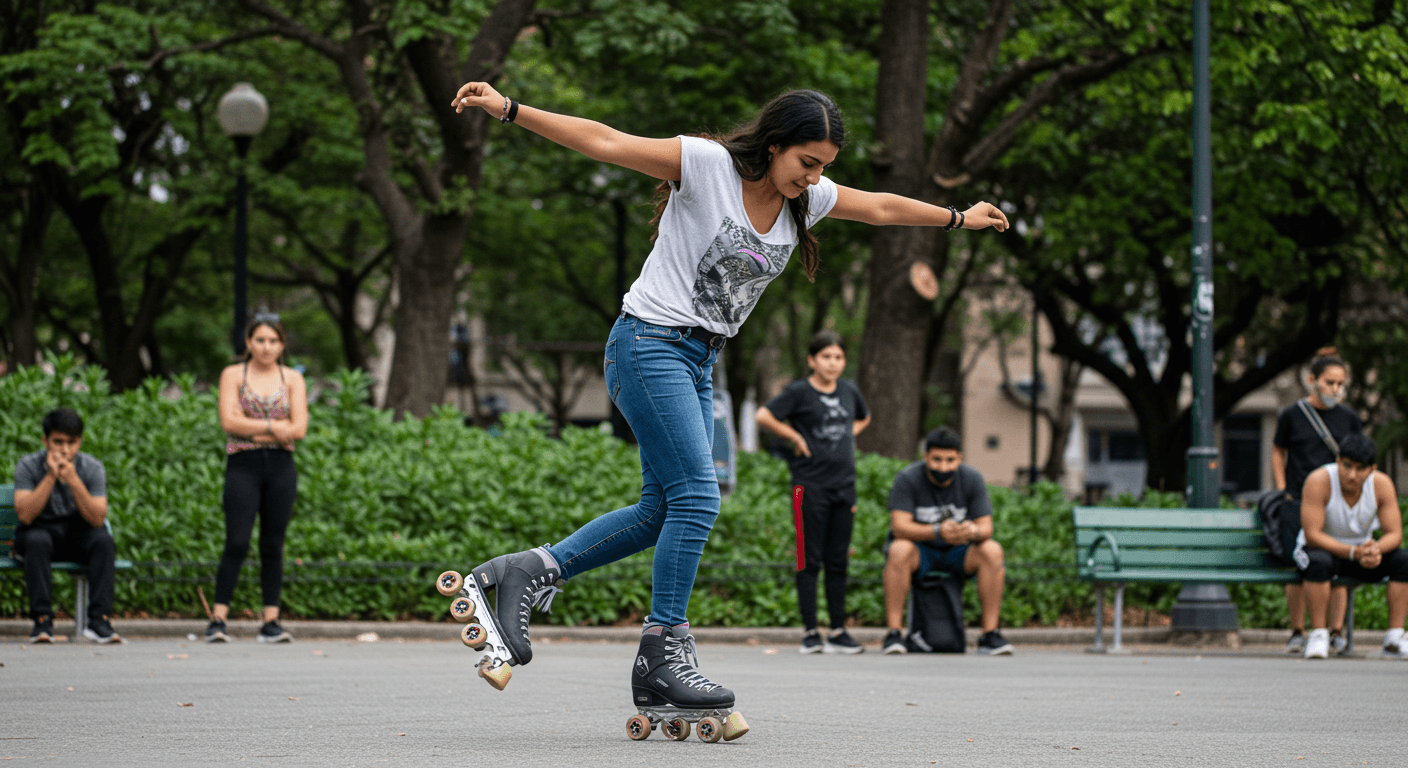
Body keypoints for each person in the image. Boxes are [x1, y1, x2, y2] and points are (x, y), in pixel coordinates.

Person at [447, 82, 1008, 718]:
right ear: (774, 146)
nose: (815, 177)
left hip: (698, 360)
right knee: (698, 495)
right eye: (807, 162)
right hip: (647, 343)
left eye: (824, 166)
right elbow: (606, 142)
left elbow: (878, 207)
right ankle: (664, 650)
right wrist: (511, 109)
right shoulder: (706, 165)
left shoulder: (807, 202)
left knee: (661, 510)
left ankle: (529, 569)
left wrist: (958, 217)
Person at [756, 329, 871, 654]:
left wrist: (848, 435)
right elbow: (763, 415)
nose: (832, 363)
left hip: (844, 487)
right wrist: (795, 436)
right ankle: (810, 632)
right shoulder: (799, 392)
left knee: (838, 561)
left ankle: (837, 631)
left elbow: (865, 417)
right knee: (810, 560)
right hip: (809, 487)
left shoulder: (849, 391)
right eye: (826, 357)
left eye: (838, 357)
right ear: (812, 360)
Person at [208, 315, 308, 643]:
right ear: (249, 342)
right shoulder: (232, 374)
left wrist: (252, 425)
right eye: (260, 340)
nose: (266, 347)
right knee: (236, 541)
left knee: (272, 543)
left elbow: (299, 429)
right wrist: (272, 428)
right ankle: (218, 619)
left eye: (273, 341)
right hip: (242, 464)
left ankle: (271, 621)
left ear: (282, 345)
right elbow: (228, 422)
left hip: (281, 466)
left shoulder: (292, 378)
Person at [880, 427, 1012, 655]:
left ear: (960, 457)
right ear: (925, 456)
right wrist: (937, 532)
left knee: (992, 550)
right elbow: (899, 527)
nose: (944, 467)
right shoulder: (907, 478)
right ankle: (894, 635)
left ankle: (990, 635)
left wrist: (972, 531)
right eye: (937, 460)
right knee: (898, 549)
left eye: (950, 460)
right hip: (921, 552)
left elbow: (986, 527)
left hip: (958, 553)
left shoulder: (972, 478)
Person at [1272, 348, 1361, 654]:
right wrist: (1282, 487)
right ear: (1313, 380)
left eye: (1340, 384)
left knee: (1335, 567)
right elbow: (1277, 450)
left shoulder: (1349, 418)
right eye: (1329, 382)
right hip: (1297, 500)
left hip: (1334, 504)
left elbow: (1357, 457)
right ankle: (1298, 630)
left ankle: (1335, 631)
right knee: (1297, 569)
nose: (1335, 389)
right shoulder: (1292, 415)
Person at [1294, 433, 1408, 659]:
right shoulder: (1319, 480)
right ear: (1338, 462)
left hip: (1360, 553)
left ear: (1372, 469)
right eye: (1346, 466)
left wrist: (1376, 549)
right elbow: (1313, 534)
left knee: (1403, 560)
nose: (1351, 474)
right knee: (1319, 562)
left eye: (1360, 468)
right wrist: (1353, 552)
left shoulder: (1381, 484)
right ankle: (1319, 636)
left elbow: (1394, 534)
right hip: (1322, 550)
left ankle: (1394, 638)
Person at [12, 408, 120, 643]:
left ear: (80, 442)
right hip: (39, 533)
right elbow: (26, 515)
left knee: (103, 540)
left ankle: (99, 622)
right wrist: (50, 476)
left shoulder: (92, 468)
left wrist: (72, 479)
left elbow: (97, 518)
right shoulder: (28, 466)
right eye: (57, 442)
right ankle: (42, 621)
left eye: (71, 443)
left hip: (75, 535)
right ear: (45, 440)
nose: (64, 449)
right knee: (36, 540)